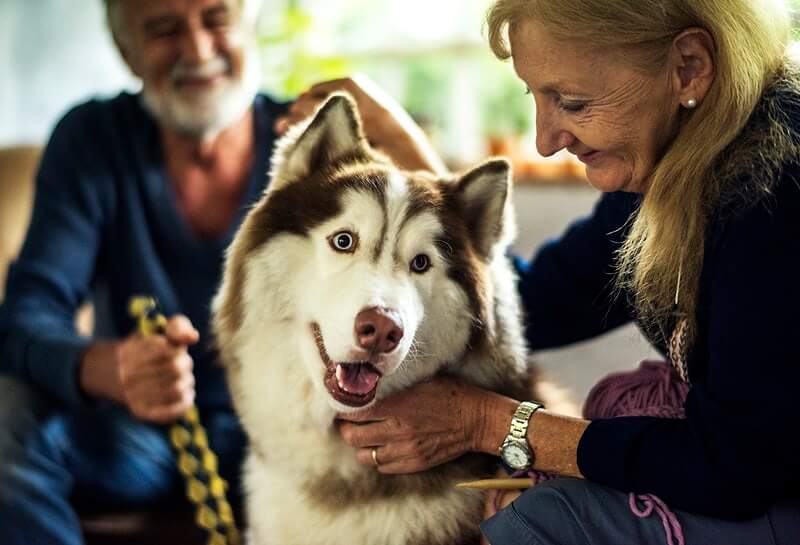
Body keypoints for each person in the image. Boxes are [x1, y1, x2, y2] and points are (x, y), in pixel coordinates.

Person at [277, 1, 800, 543]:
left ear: (689, 66)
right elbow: (534, 304)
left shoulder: (776, 193)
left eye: (572, 102)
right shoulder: (667, 170)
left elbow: (740, 466)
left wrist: (495, 424)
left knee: (542, 520)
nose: (547, 141)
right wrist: (420, 172)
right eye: (536, 97)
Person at [0, 1, 288, 543]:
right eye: (163, 30)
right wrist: (106, 366)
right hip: (138, 444)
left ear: (251, 27)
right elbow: (24, 317)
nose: (199, 50)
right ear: (127, 52)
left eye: (216, 19)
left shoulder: (307, 135)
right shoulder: (92, 138)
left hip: (299, 443)